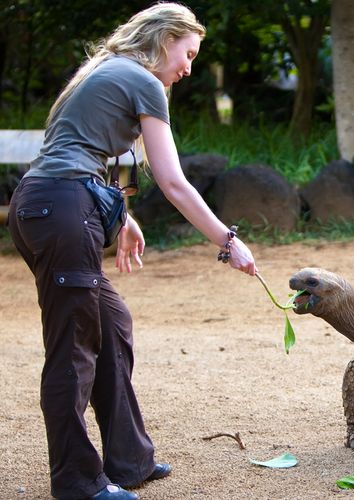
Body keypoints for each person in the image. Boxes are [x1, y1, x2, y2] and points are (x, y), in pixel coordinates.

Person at [7, 3, 257, 499]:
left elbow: (79, 151)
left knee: (111, 324)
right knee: (72, 350)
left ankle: (129, 459)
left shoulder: (102, 71)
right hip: (60, 209)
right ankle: (78, 483)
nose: (188, 67)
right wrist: (227, 241)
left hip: (49, 205)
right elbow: (173, 182)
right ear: (164, 40)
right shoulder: (141, 80)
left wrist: (124, 218)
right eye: (187, 54)